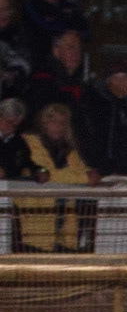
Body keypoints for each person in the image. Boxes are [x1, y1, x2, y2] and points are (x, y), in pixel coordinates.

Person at [18, 102, 98, 252]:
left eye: (63, 122)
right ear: (43, 122)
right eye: (53, 120)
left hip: (63, 224)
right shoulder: (29, 142)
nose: (59, 125)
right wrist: (85, 177)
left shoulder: (68, 149)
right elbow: (47, 174)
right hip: (36, 220)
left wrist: (89, 172)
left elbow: (80, 169)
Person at [82, 57, 127, 177]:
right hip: (107, 174)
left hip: (124, 172)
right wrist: (105, 169)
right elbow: (101, 141)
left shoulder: (121, 105)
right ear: (114, 80)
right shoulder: (99, 106)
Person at [21, 0, 90, 68]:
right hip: (40, 63)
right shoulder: (32, 6)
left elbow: (87, 32)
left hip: (70, 65)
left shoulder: (71, 7)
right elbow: (41, 28)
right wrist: (67, 31)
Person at [0, 97, 36, 180]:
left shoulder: (19, 142)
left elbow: (26, 163)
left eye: (15, 125)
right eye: (9, 122)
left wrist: (40, 170)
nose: (11, 127)